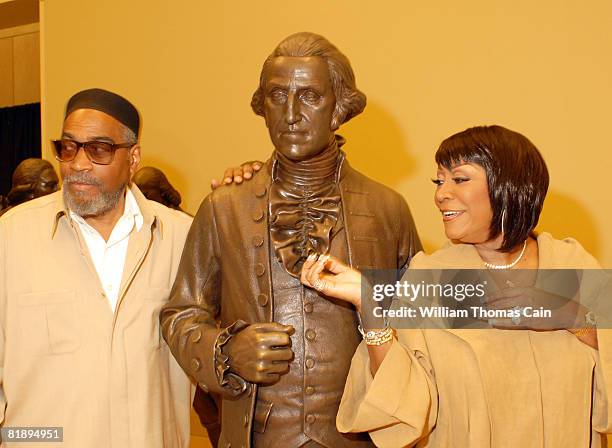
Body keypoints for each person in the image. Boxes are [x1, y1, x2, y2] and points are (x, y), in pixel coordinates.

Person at [160, 32, 422, 448]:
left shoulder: (388, 209)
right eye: (277, 96)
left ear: (339, 109)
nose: (290, 114)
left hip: (359, 435)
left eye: (310, 96)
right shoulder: (223, 207)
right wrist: (225, 352)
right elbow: (180, 314)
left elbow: (422, 319)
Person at [299, 125, 612, 447]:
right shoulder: (433, 276)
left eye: (459, 179)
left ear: (509, 185)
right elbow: (401, 406)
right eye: (439, 181)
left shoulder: (571, 264)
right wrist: (368, 303)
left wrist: (570, 315)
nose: (440, 195)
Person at [0, 88, 193, 447]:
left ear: (133, 158)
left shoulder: (180, 239)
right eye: (68, 148)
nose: (78, 164)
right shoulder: (10, 238)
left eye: (99, 149)